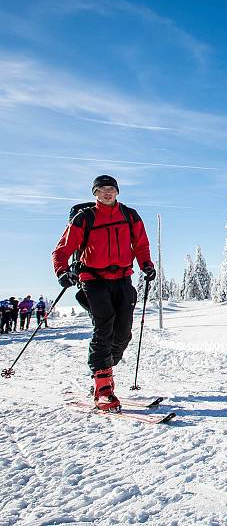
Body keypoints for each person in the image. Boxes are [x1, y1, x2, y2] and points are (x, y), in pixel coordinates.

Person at [52, 175, 156, 412]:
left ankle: (104, 370)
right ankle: (103, 388)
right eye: (102, 189)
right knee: (104, 327)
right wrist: (62, 272)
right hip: (93, 280)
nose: (107, 193)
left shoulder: (129, 215)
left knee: (123, 333)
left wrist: (147, 265)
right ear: (95, 194)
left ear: (117, 192)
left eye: (111, 189)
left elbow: (141, 244)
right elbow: (62, 249)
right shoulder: (84, 217)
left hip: (122, 279)